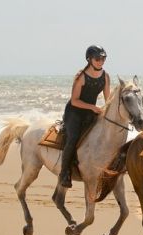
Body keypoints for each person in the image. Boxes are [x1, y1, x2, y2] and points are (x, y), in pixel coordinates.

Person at [58, 45, 111, 188]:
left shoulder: (105, 76)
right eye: (98, 58)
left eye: (103, 58)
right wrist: (93, 107)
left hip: (90, 112)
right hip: (74, 112)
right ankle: (64, 173)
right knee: (73, 137)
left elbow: (108, 100)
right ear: (89, 59)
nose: (101, 61)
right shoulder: (81, 76)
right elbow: (74, 101)